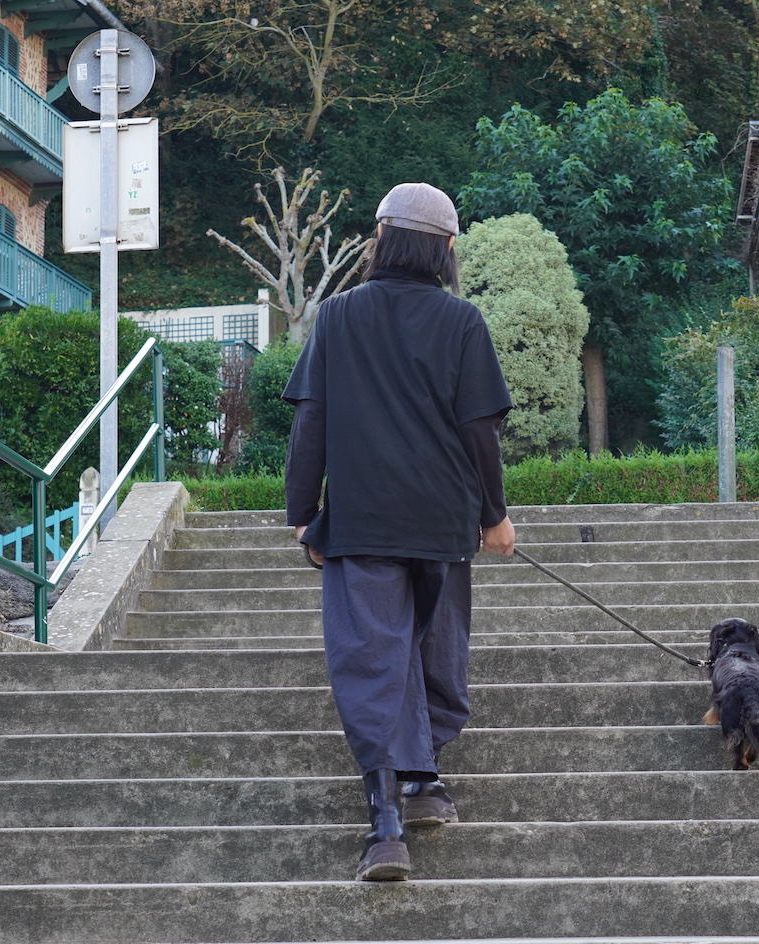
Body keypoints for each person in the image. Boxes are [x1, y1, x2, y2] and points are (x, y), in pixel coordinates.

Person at [282, 182, 515, 883]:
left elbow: (311, 423)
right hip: (441, 521)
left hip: (362, 522)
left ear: (381, 238)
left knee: (373, 663)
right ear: (445, 248)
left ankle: (389, 821)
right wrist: (493, 514)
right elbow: (481, 433)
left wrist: (303, 514)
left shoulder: (338, 316)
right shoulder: (462, 321)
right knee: (436, 657)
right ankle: (421, 788)